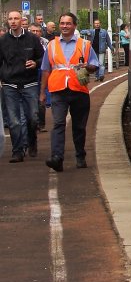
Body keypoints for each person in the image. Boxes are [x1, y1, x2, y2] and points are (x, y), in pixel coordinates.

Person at [40, 13, 99, 172]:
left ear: (74, 26)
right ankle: (57, 158)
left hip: (79, 89)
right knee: (58, 123)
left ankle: (80, 156)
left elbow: (95, 65)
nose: (64, 26)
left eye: (68, 23)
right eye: (62, 23)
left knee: (79, 126)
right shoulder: (52, 45)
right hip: (58, 90)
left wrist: (88, 66)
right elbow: (45, 69)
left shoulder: (85, 44)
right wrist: (42, 92)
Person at [0, 11, 44, 162]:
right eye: (10, 19)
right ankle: (17, 151)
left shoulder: (32, 39)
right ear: (7, 21)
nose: (13, 21)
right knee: (14, 121)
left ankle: (32, 141)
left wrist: (35, 63)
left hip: (29, 83)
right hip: (10, 84)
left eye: (16, 19)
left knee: (32, 117)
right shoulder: (3, 40)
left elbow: (42, 57)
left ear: (21, 20)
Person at [29, 23, 48, 131]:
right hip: (29, 74)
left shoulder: (45, 42)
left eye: (38, 31)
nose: (35, 33)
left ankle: (41, 123)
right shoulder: (25, 42)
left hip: (42, 72)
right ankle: (32, 123)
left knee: (41, 98)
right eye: (33, 31)